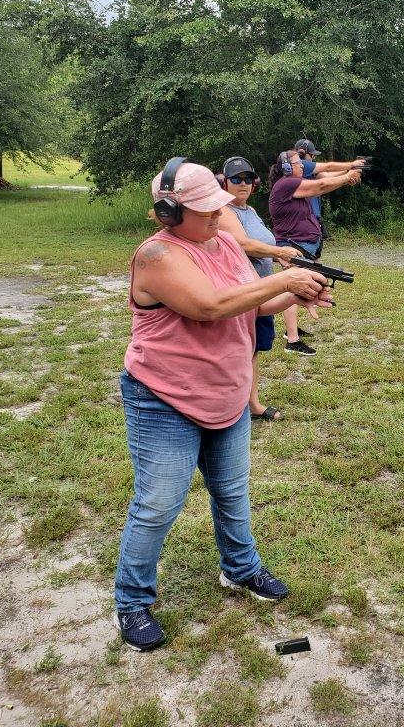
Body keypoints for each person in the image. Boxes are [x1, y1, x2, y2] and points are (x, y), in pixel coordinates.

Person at [114, 158, 332, 652]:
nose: (219, 213)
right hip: (165, 398)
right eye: (205, 209)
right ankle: (131, 601)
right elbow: (209, 305)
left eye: (218, 204)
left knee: (232, 491)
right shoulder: (156, 255)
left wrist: (298, 294)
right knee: (158, 504)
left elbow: (250, 304)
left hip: (226, 393)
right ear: (168, 212)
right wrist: (283, 278)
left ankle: (241, 570)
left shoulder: (226, 242)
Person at [216, 154, 314, 415]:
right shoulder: (224, 209)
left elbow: (261, 245)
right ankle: (231, 405)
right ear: (224, 182)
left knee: (254, 348)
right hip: (241, 289)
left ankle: (252, 403)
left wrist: (278, 259)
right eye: (236, 179)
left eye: (248, 179)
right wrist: (280, 252)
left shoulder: (250, 211)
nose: (243, 184)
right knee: (239, 350)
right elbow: (242, 244)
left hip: (261, 288)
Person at [268, 150, 361, 353]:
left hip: (303, 245)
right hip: (294, 247)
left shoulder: (294, 184)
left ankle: (292, 333)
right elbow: (321, 184)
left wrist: (346, 175)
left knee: (298, 289)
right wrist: (347, 175)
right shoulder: (286, 183)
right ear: (285, 167)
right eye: (296, 163)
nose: (301, 165)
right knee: (290, 289)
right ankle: (292, 340)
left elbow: (323, 182)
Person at [294, 138, 367, 239]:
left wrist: (348, 173)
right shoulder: (300, 164)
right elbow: (328, 168)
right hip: (304, 219)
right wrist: (351, 166)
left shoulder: (306, 170)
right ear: (301, 153)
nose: (313, 157)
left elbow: (325, 176)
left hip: (312, 218)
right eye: (311, 154)